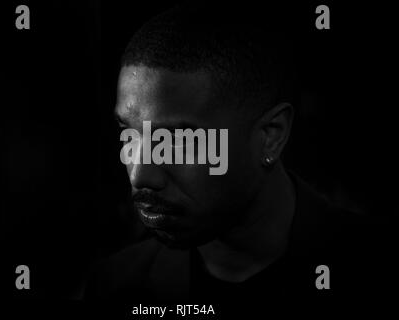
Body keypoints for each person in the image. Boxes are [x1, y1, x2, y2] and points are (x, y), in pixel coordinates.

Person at [85, 5, 390, 310]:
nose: (140, 174)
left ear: (271, 136)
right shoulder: (118, 285)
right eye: (129, 134)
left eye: (177, 140)